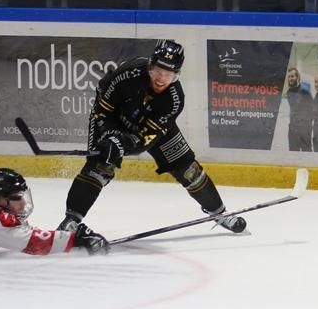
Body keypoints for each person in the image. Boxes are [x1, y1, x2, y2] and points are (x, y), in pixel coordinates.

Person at [58, 39, 248, 234]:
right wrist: (108, 136)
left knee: (189, 171)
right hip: (113, 121)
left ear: (176, 75)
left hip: (151, 131)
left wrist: (122, 144)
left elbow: (143, 140)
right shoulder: (127, 74)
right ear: (150, 65)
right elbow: (102, 110)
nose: (161, 79)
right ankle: (71, 221)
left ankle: (220, 213)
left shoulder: (174, 100)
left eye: (169, 74)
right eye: (158, 71)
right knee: (99, 166)